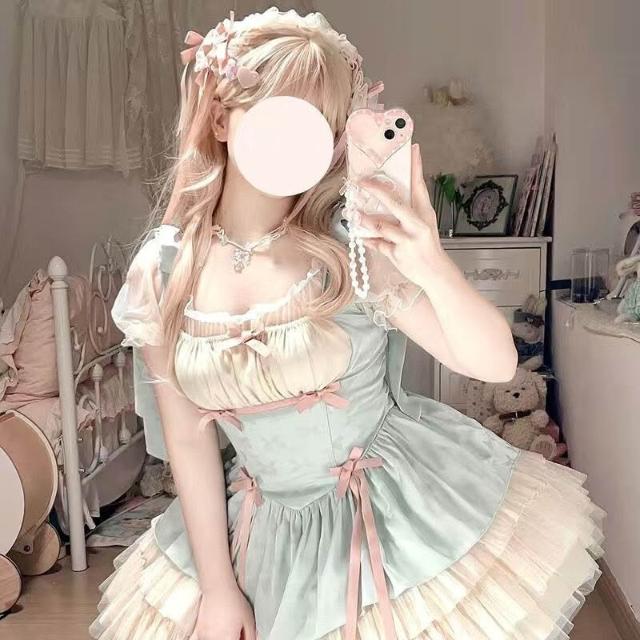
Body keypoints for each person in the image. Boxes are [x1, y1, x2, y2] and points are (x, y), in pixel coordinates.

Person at [89, 8, 604, 640]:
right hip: (261, 532)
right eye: (281, 113)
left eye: (320, 123)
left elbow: (496, 365)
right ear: (220, 118)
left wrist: (430, 260)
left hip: (390, 519)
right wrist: (219, 588)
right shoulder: (163, 272)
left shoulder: (349, 243)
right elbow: (190, 441)